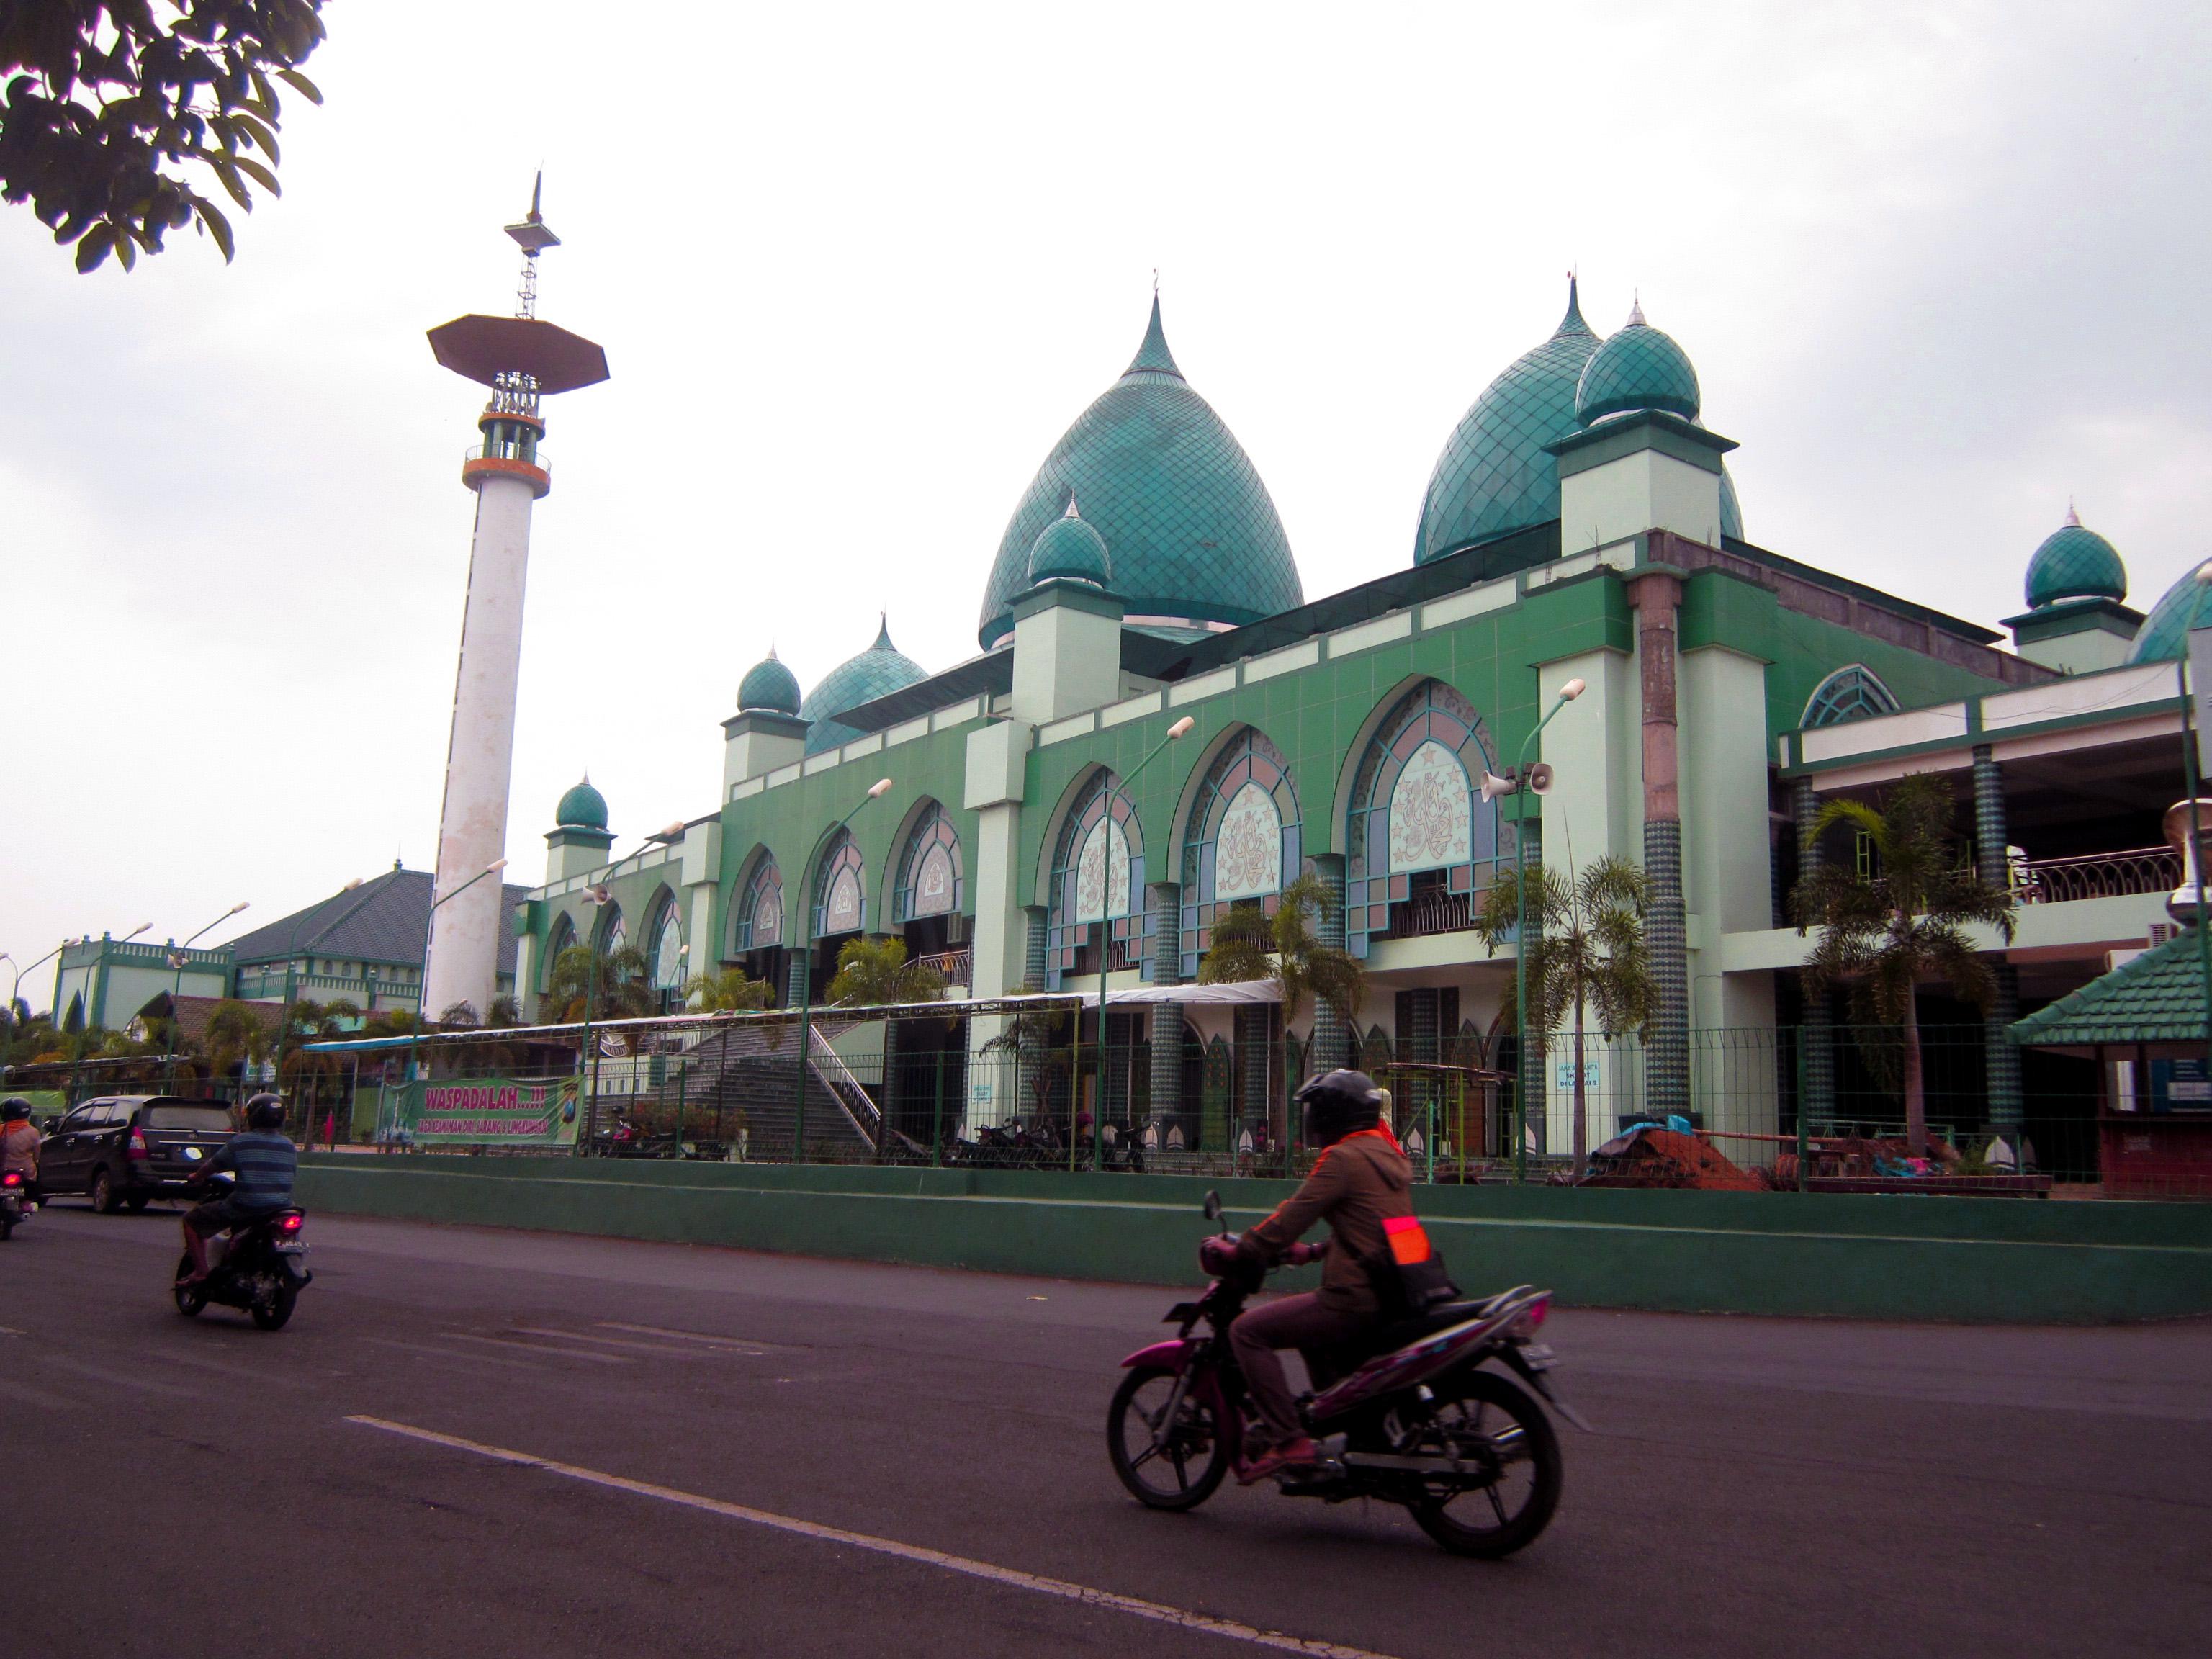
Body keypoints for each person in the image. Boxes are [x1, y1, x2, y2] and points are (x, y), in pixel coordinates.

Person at [1219, 1069, 1416, 1483]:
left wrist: (1245, 1249)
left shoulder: (1342, 1159)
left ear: (1331, 1115)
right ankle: (1338, 1425)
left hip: (1354, 1296)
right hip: (1396, 1289)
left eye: (1315, 1111)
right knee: (1309, 1333)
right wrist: (1311, 1253)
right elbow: (1379, 1230)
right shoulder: (1387, 1155)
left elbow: (1292, 1217)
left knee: (1246, 1332)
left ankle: (1291, 1441)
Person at [177, 1094, 297, 1286]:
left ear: (253, 1116)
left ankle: (201, 1272)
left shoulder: (241, 1142)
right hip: (282, 1208)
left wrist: (196, 1177)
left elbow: (213, 1166)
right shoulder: (289, 1145)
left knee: (191, 1220)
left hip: (247, 1206)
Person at [1, 1098, 40, 1204]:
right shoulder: (34, 1132)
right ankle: (27, 1203)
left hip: (3, 1169)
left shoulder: (1, 1129)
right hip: (26, 1171)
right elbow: (37, 1155)